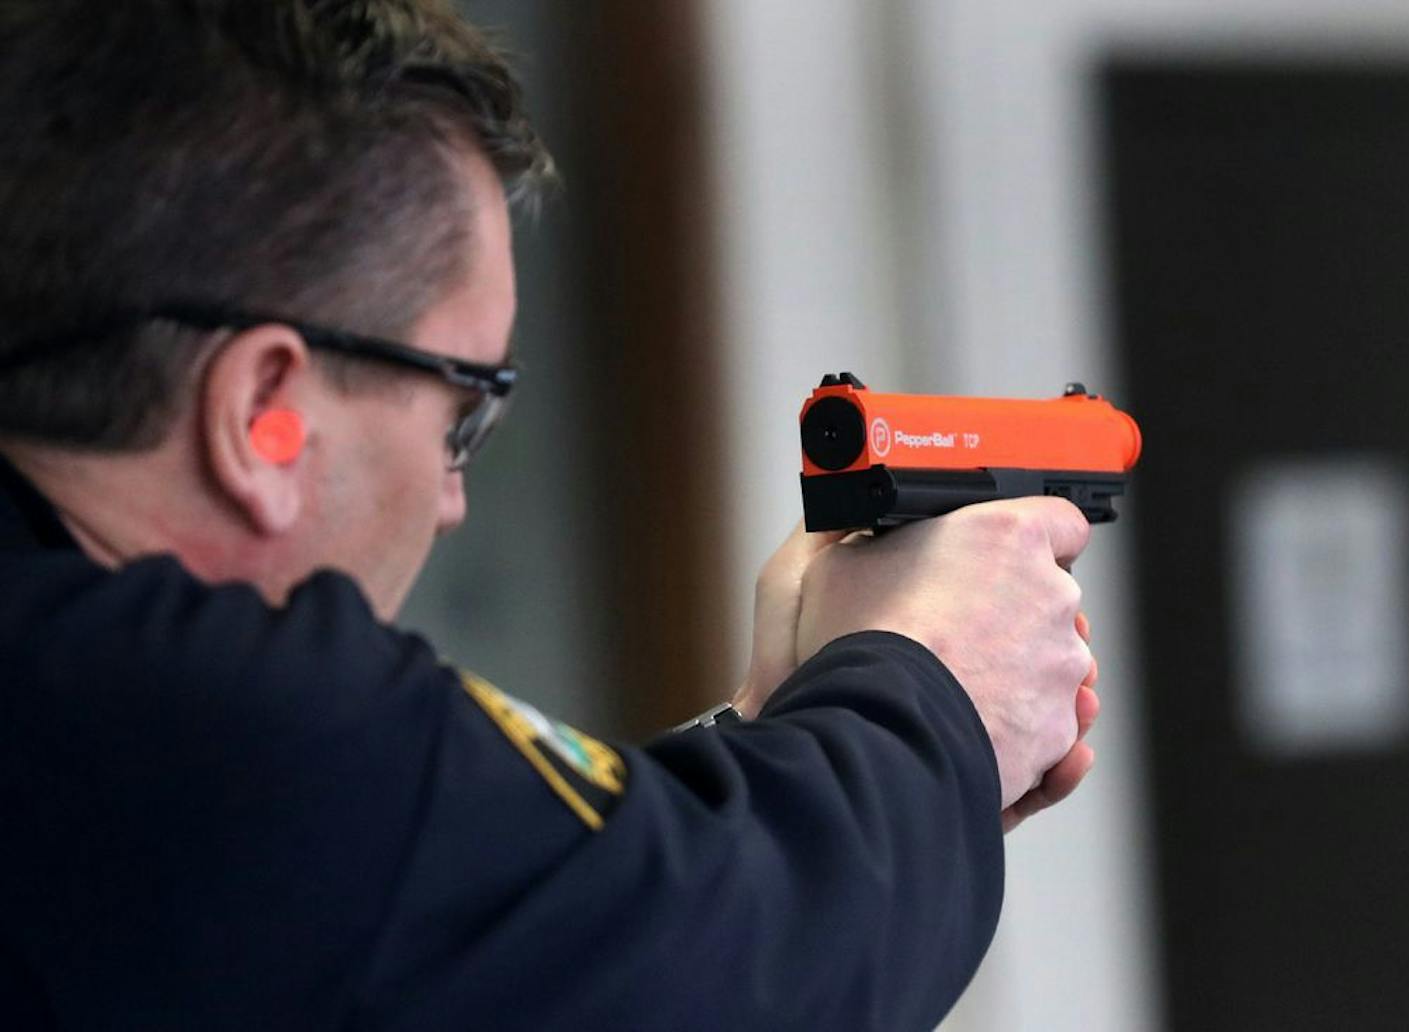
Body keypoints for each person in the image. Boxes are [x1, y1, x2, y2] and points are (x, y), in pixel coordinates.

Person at [0, 1, 1100, 1028]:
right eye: (460, 410)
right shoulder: (204, 723)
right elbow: (730, 966)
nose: (452, 496)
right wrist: (934, 687)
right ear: (263, 414)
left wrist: (769, 737)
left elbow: (505, 935)